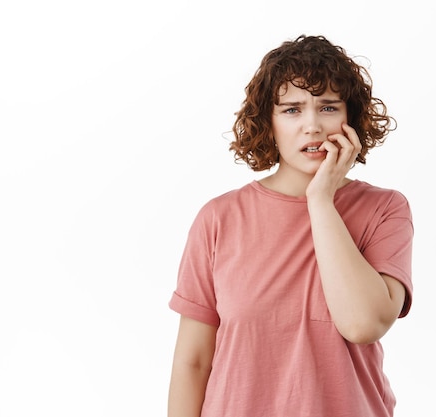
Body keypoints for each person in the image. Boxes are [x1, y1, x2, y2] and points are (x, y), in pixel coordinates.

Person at [167, 34, 413, 417]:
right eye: (292, 110)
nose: (312, 126)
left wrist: (320, 200)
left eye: (328, 107)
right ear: (269, 120)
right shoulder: (219, 218)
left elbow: (363, 324)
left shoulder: (383, 210)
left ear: (351, 118)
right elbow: (193, 363)